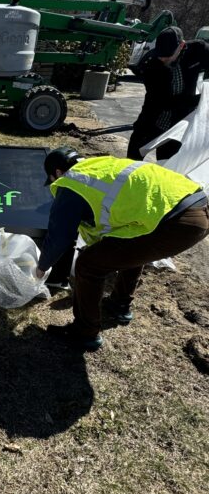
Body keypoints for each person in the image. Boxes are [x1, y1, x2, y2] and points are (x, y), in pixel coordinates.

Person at [35, 146, 209, 351]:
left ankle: (84, 333)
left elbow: (60, 236)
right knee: (129, 243)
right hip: (197, 205)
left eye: (53, 179)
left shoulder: (72, 182)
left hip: (177, 223)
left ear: (57, 173)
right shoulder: (102, 165)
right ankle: (119, 305)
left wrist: (42, 267)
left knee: (89, 265)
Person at [127, 25, 209, 161]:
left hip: (177, 124)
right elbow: (165, 101)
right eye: (161, 54)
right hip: (152, 121)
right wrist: (199, 100)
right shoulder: (151, 65)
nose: (163, 58)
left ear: (181, 46)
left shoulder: (198, 50)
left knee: (166, 164)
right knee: (132, 159)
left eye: (168, 54)